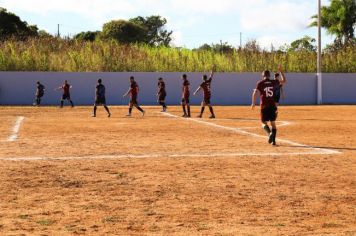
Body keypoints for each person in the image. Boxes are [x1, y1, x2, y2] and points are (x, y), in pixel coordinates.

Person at [251, 65, 287, 145]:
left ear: (263, 76)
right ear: (269, 75)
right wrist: (281, 71)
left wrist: (253, 103)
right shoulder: (274, 82)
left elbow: (255, 93)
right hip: (272, 105)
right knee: (273, 123)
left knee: (263, 122)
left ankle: (270, 133)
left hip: (264, 105)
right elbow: (284, 81)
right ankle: (273, 141)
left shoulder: (260, 83)